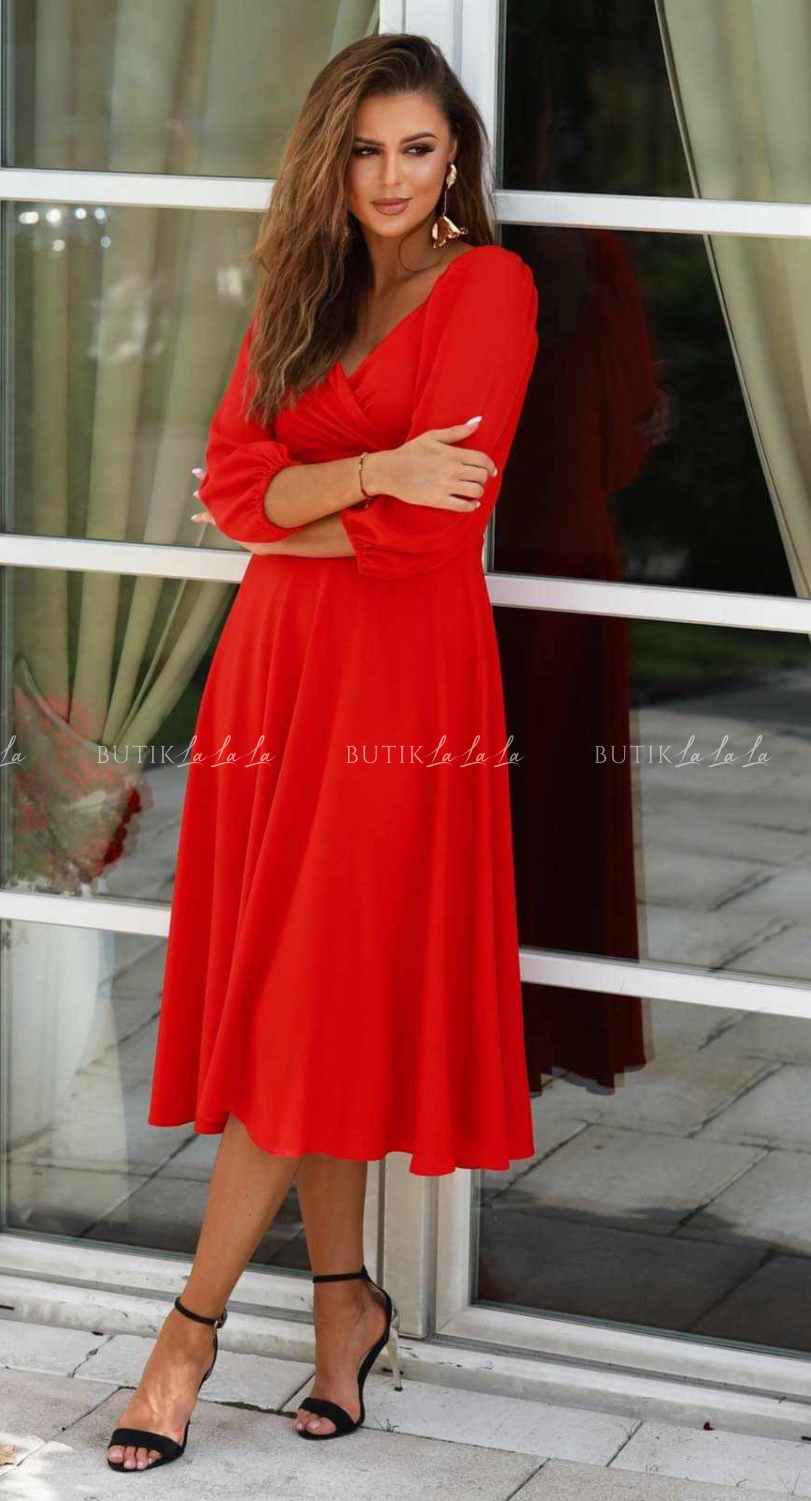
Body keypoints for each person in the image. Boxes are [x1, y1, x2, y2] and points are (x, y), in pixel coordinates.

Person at [107, 32, 540, 1473]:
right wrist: (369, 469)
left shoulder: (489, 287)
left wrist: (309, 501)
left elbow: (434, 531)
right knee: (322, 991)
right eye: (365, 151)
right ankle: (343, 1303)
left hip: (399, 681)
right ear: (329, 160)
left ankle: (187, 1332)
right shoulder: (304, 290)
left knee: (305, 993)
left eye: (418, 148)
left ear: (457, 155)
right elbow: (232, 491)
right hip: (279, 674)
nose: (392, 178)